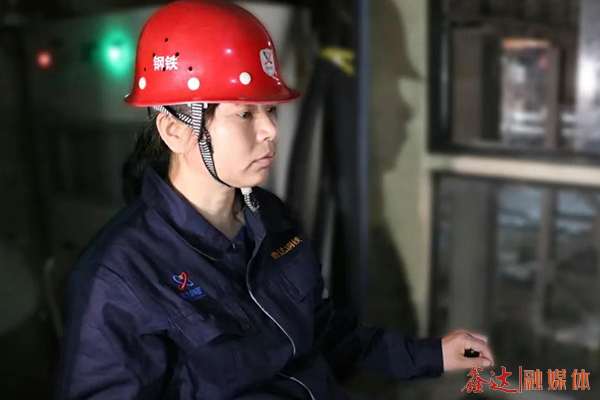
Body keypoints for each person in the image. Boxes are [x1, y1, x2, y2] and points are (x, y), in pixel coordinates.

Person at [55, 1, 495, 399]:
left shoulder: (269, 217)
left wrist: (431, 355)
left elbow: (324, 332)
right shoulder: (118, 277)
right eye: (245, 113)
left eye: (270, 110)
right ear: (176, 131)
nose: (270, 130)